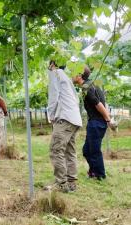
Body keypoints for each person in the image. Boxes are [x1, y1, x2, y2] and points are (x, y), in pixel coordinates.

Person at [73, 66, 116, 180]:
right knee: (87, 151)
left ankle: (100, 175)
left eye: (73, 73)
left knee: (94, 151)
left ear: (79, 75)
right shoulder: (90, 85)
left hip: (97, 123)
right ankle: (93, 172)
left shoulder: (86, 87)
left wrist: (108, 120)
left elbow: (98, 104)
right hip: (95, 122)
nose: (71, 76)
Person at [46, 61, 82, 192]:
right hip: (74, 118)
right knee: (70, 151)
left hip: (65, 118)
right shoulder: (65, 76)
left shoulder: (54, 73)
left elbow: (53, 96)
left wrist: (51, 114)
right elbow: (75, 99)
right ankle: (72, 183)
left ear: (51, 65)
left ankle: (61, 184)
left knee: (56, 150)